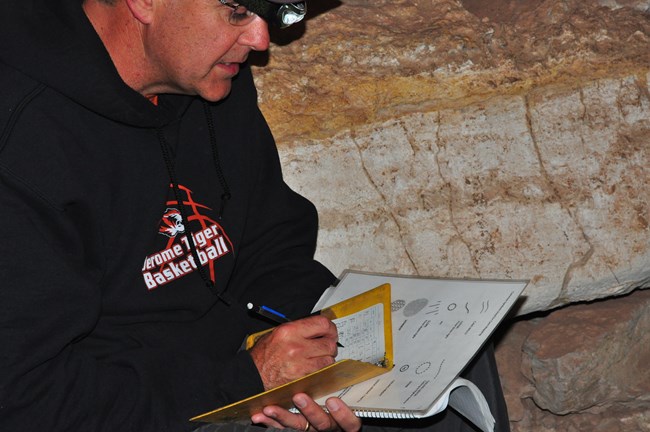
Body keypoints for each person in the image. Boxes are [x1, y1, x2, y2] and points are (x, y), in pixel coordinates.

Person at [0, 0, 510, 431]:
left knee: (455, 386)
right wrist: (248, 381)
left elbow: (272, 240)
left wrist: (314, 340)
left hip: (233, 375)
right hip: (130, 402)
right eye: (238, 10)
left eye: (277, 11)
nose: (262, 39)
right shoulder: (24, 139)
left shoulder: (209, 77)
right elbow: (24, 396)